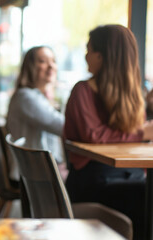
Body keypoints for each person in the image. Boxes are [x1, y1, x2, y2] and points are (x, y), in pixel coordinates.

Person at [63, 24, 153, 240]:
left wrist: (142, 133)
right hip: (93, 181)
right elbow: (93, 136)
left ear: (103, 56)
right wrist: (142, 134)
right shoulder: (82, 91)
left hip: (129, 176)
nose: (85, 56)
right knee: (146, 199)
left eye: (89, 50)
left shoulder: (132, 94)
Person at [6, 46, 67, 179]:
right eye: (43, 61)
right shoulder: (26, 97)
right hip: (36, 173)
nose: (51, 66)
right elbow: (63, 127)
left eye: (53, 61)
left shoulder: (37, 96)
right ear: (30, 67)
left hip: (38, 169)